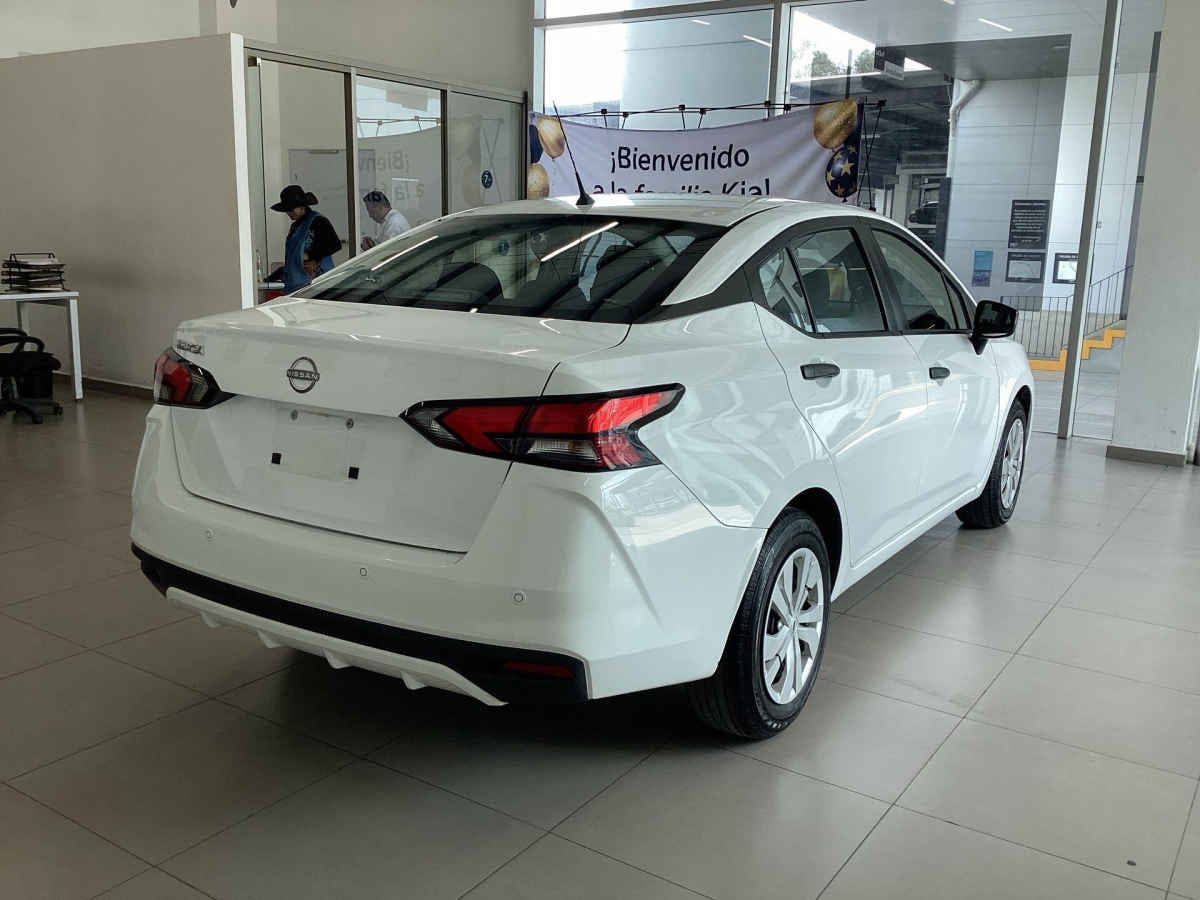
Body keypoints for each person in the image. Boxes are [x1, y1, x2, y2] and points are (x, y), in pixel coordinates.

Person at [267, 185, 342, 292]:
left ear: (302, 206)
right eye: (287, 210)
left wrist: (311, 256)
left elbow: (335, 244)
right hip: (297, 285)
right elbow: (292, 261)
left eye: (291, 209)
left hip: (317, 285)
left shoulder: (318, 221)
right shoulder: (295, 227)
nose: (289, 213)